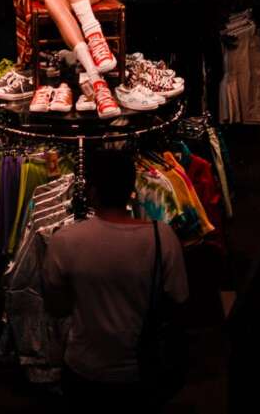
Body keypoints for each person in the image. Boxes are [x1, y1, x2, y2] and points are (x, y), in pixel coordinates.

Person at [43, 150, 188, 404]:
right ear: (132, 188)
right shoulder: (162, 237)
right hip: (143, 369)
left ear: (92, 191)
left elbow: (56, 307)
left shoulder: (65, 241)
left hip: (84, 367)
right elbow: (179, 300)